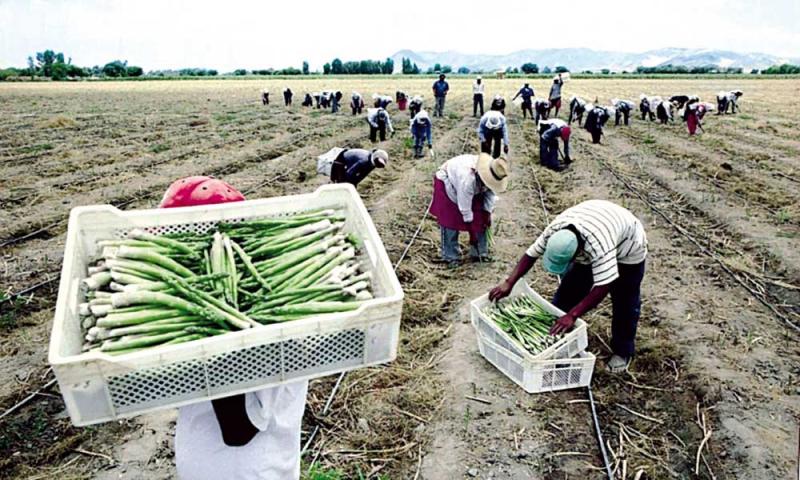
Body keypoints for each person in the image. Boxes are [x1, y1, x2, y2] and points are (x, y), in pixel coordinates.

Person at [162, 176, 309, 480]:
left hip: (245, 470)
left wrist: (213, 330)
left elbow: (238, 430)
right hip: (214, 461)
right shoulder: (244, 301)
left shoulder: (263, 324)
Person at [488, 199, 648, 373]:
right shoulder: (555, 231)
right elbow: (531, 254)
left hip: (628, 246)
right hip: (596, 223)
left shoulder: (599, 246)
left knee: (624, 300)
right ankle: (555, 336)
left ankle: (623, 351)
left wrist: (573, 315)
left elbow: (603, 286)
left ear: (578, 252)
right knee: (570, 287)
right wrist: (509, 282)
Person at [430, 153, 509, 267]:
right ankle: (450, 256)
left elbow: (489, 198)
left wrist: (486, 216)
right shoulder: (467, 180)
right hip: (448, 180)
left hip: (469, 185)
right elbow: (465, 209)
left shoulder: (494, 171)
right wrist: (472, 235)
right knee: (450, 219)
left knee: (481, 219)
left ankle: (479, 253)